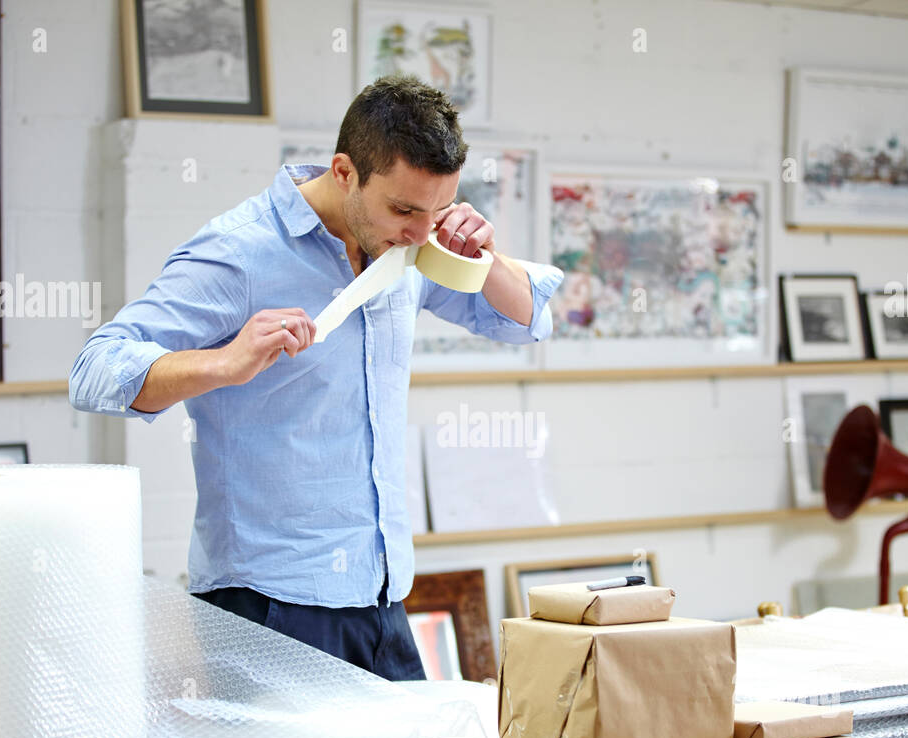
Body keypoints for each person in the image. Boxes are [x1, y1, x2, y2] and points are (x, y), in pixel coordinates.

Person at [69, 76, 562, 680]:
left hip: (380, 598)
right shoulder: (239, 253)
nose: (419, 232)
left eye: (436, 211)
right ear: (345, 172)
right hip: (268, 607)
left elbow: (530, 319)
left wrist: (485, 258)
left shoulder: (408, 244)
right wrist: (225, 363)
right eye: (404, 209)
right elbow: (94, 369)